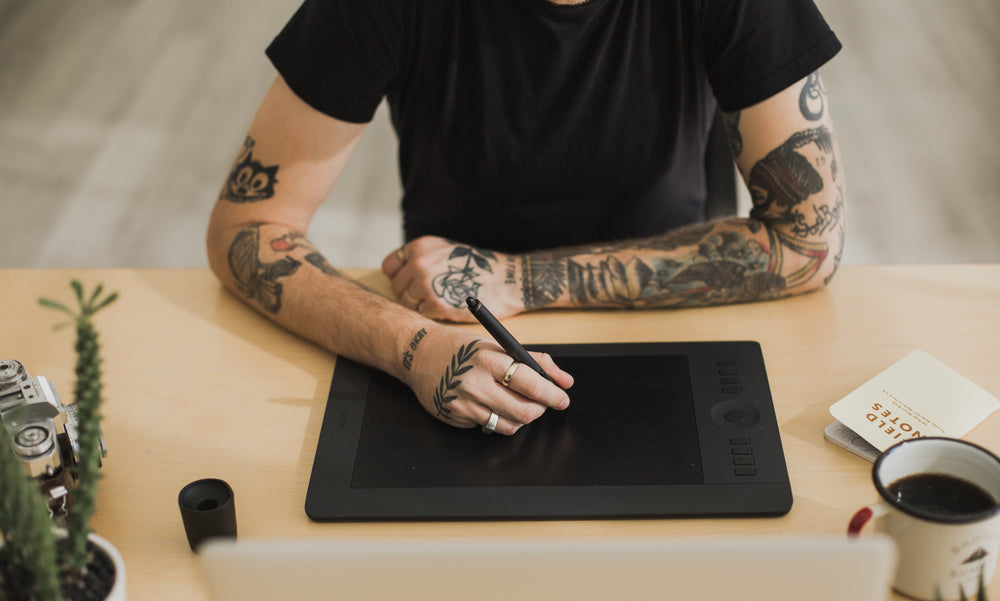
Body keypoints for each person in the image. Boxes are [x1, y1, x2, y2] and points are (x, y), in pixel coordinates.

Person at [206, 0, 844, 437]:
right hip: (451, 335)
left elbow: (806, 242)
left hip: (664, 328)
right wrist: (412, 347)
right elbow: (247, 226)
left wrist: (521, 279)